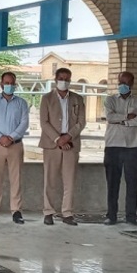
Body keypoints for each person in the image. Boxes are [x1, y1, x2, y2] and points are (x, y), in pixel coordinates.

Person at [39, 67, 86, 226]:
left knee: (69, 181)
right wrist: (58, 139)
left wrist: (68, 137)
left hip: (71, 143)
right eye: (61, 78)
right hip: (52, 144)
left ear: (70, 81)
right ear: (55, 80)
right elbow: (44, 122)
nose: (64, 82)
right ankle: (48, 212)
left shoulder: (77, 99)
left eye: (67, 79)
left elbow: (81, 122)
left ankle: (67, 213)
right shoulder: (47, 98)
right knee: (50, 180)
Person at [0, 72, 29, 224]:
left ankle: (16, 211)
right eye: (6, 83)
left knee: (16, 179)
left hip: (15, 145)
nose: (9, 85)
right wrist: (0, 137)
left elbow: (24, 123)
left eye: (11, 83)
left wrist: (11, 137)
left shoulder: (21, 103)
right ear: (1, 84)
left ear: (15, 85)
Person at [103, 71, 137, 227]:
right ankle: (111, 216)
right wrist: (128, 117)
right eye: (120, 82)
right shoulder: (110, 100)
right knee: (112, 183)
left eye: (126, 83)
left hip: (132, 147)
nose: (122, 86)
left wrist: (120, 120)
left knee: (133, 183)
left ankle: (131, 216)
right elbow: (109, 117)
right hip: (113, 146)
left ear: (131, 84)